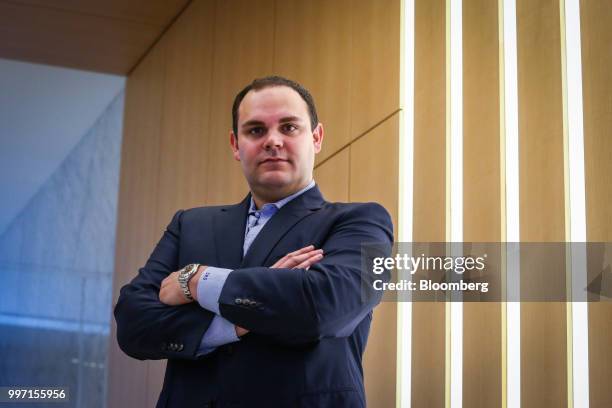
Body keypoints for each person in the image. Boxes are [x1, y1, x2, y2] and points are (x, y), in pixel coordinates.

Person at [114, 76, 393, 408]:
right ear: (235, 144)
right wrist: (239, 319)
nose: (273, 141)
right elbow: (134, 324)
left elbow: (323, 308)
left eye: (289, 128)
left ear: (316, 137)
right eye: (256, 130)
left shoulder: (364, 222)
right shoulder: (189, 224)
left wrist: (196, 279)